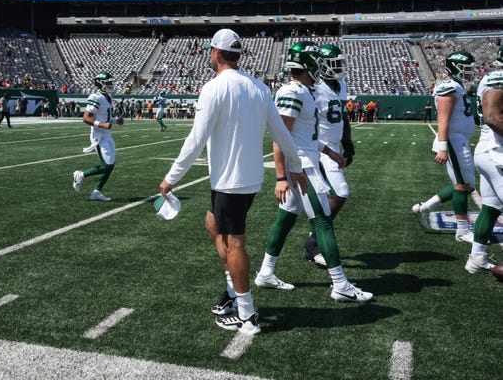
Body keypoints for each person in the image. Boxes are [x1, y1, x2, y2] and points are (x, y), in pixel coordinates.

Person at [159, 29, 306, 335]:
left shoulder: (214, 88)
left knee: (235, 242)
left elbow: (195, 139)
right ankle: (232, 290)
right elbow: (281, 132)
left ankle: (247, 313)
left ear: (215, 52)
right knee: (212, 225)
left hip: (230, 182)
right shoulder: (258, 87)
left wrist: (171, 177)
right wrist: (294, 166)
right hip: (245, 179)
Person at [254, 41, 373, 303]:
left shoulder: (304, 90)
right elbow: (280, 136)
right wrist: (282, 176)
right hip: (301, 169)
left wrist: (330, 152)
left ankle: (265, 273)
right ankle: (340, 284)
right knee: (323, 222)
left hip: (305, 162)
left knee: (285, 221)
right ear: (309, 63)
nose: (322, 65)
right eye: (317, 60)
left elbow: (303, 135)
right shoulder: (294, 91)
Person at [412, 51, 477, 243]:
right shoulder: (448, 86)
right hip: (452, 141)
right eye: (466, 68)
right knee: (462, 186)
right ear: (454, 67)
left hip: (460, 140)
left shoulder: (458, 86)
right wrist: (443, 147)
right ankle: (462, 231)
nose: (469, 72)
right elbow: (442, 119)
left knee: (466, 185)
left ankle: (424, 207)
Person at [303, 44, 355, 267]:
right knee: (339, 192)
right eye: (335, 63)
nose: (340, 67)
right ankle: (314, 242)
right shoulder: (314, 88)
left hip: (333, 145)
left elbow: (342, 116)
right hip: (319, 147)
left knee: (327, 197)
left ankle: (312, 243)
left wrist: (347, 143)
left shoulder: (340, 84)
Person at [465, 46, 503, 273]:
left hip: (490, 149)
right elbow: (491, 117)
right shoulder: (498, 78)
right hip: (497, 151)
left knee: (491, 207)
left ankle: (477, 259)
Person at [73, 72, 124, 202]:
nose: (110, 84)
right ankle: (81, 175)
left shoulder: (108, 97)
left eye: (110, 82)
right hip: (99, 135)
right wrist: (101, 124)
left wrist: (115, 120)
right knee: (107, 165)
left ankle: (96, 192)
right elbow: (86, 117)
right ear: (100, 83)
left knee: (110, 165)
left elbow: (105, 116)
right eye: (107, 82)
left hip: (107, 134)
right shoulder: (96, 97)